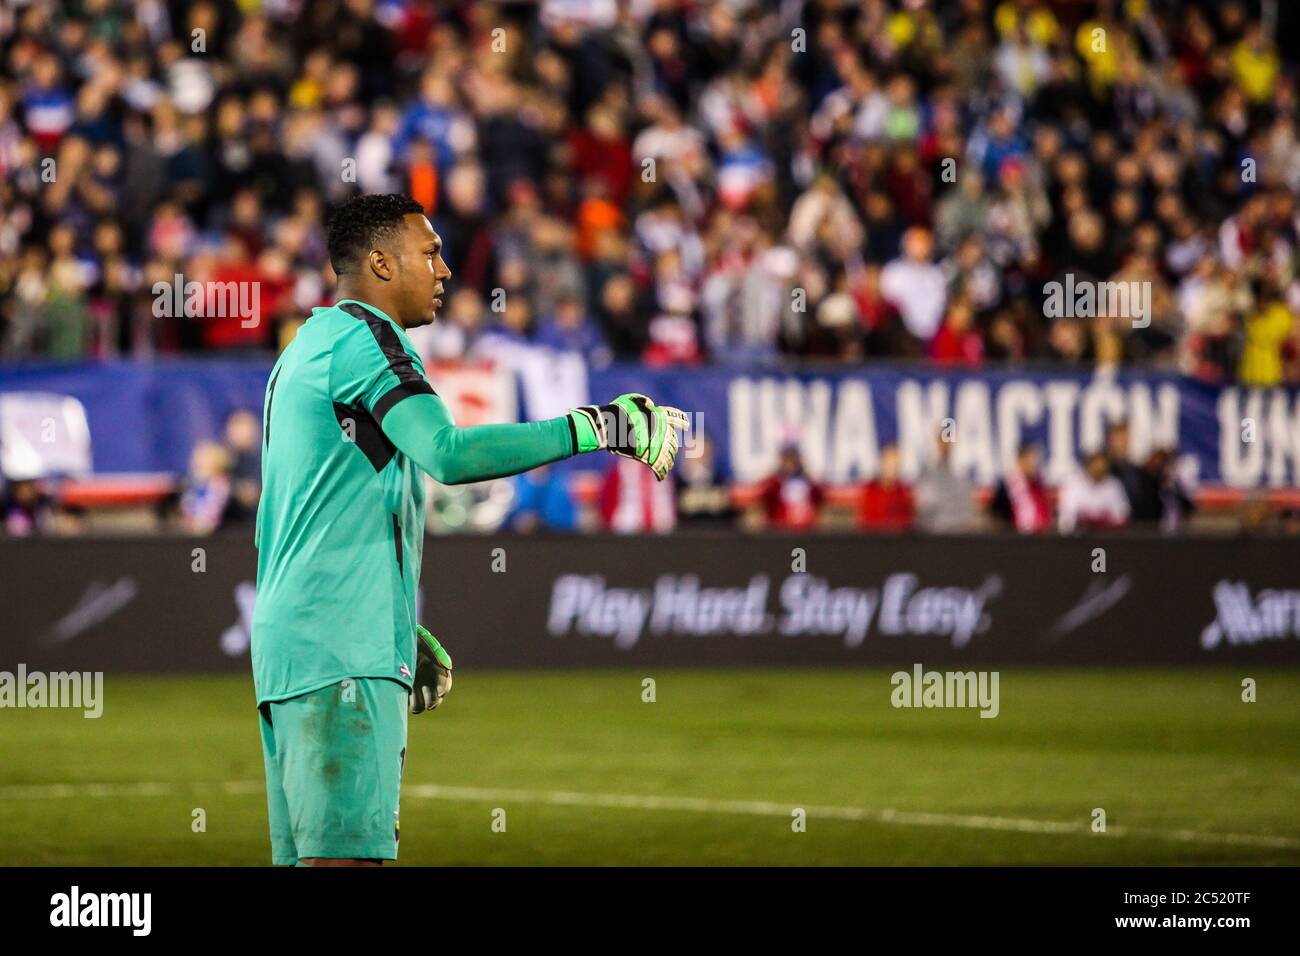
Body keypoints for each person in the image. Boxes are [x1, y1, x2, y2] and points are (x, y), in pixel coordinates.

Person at [251, 193, 688, 866]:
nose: (445, 270)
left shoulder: (305, 347)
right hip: (340, 647)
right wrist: (595, 426)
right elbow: (449, 454)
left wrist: (391, 624)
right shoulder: (368, 341)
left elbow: (293, 518)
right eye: (429, 253)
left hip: (297, 645)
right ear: (379, 263)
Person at [1058, 451, 1130, 533]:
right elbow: (1067, 518)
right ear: (1087, 466)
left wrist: (1101, 522)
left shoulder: (1114, 484)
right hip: (1080, 537)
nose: (1099, 469)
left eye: (1102, 467)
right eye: (1095, 466)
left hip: (1108, 537)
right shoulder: (1073, 484)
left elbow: (1122, 515)